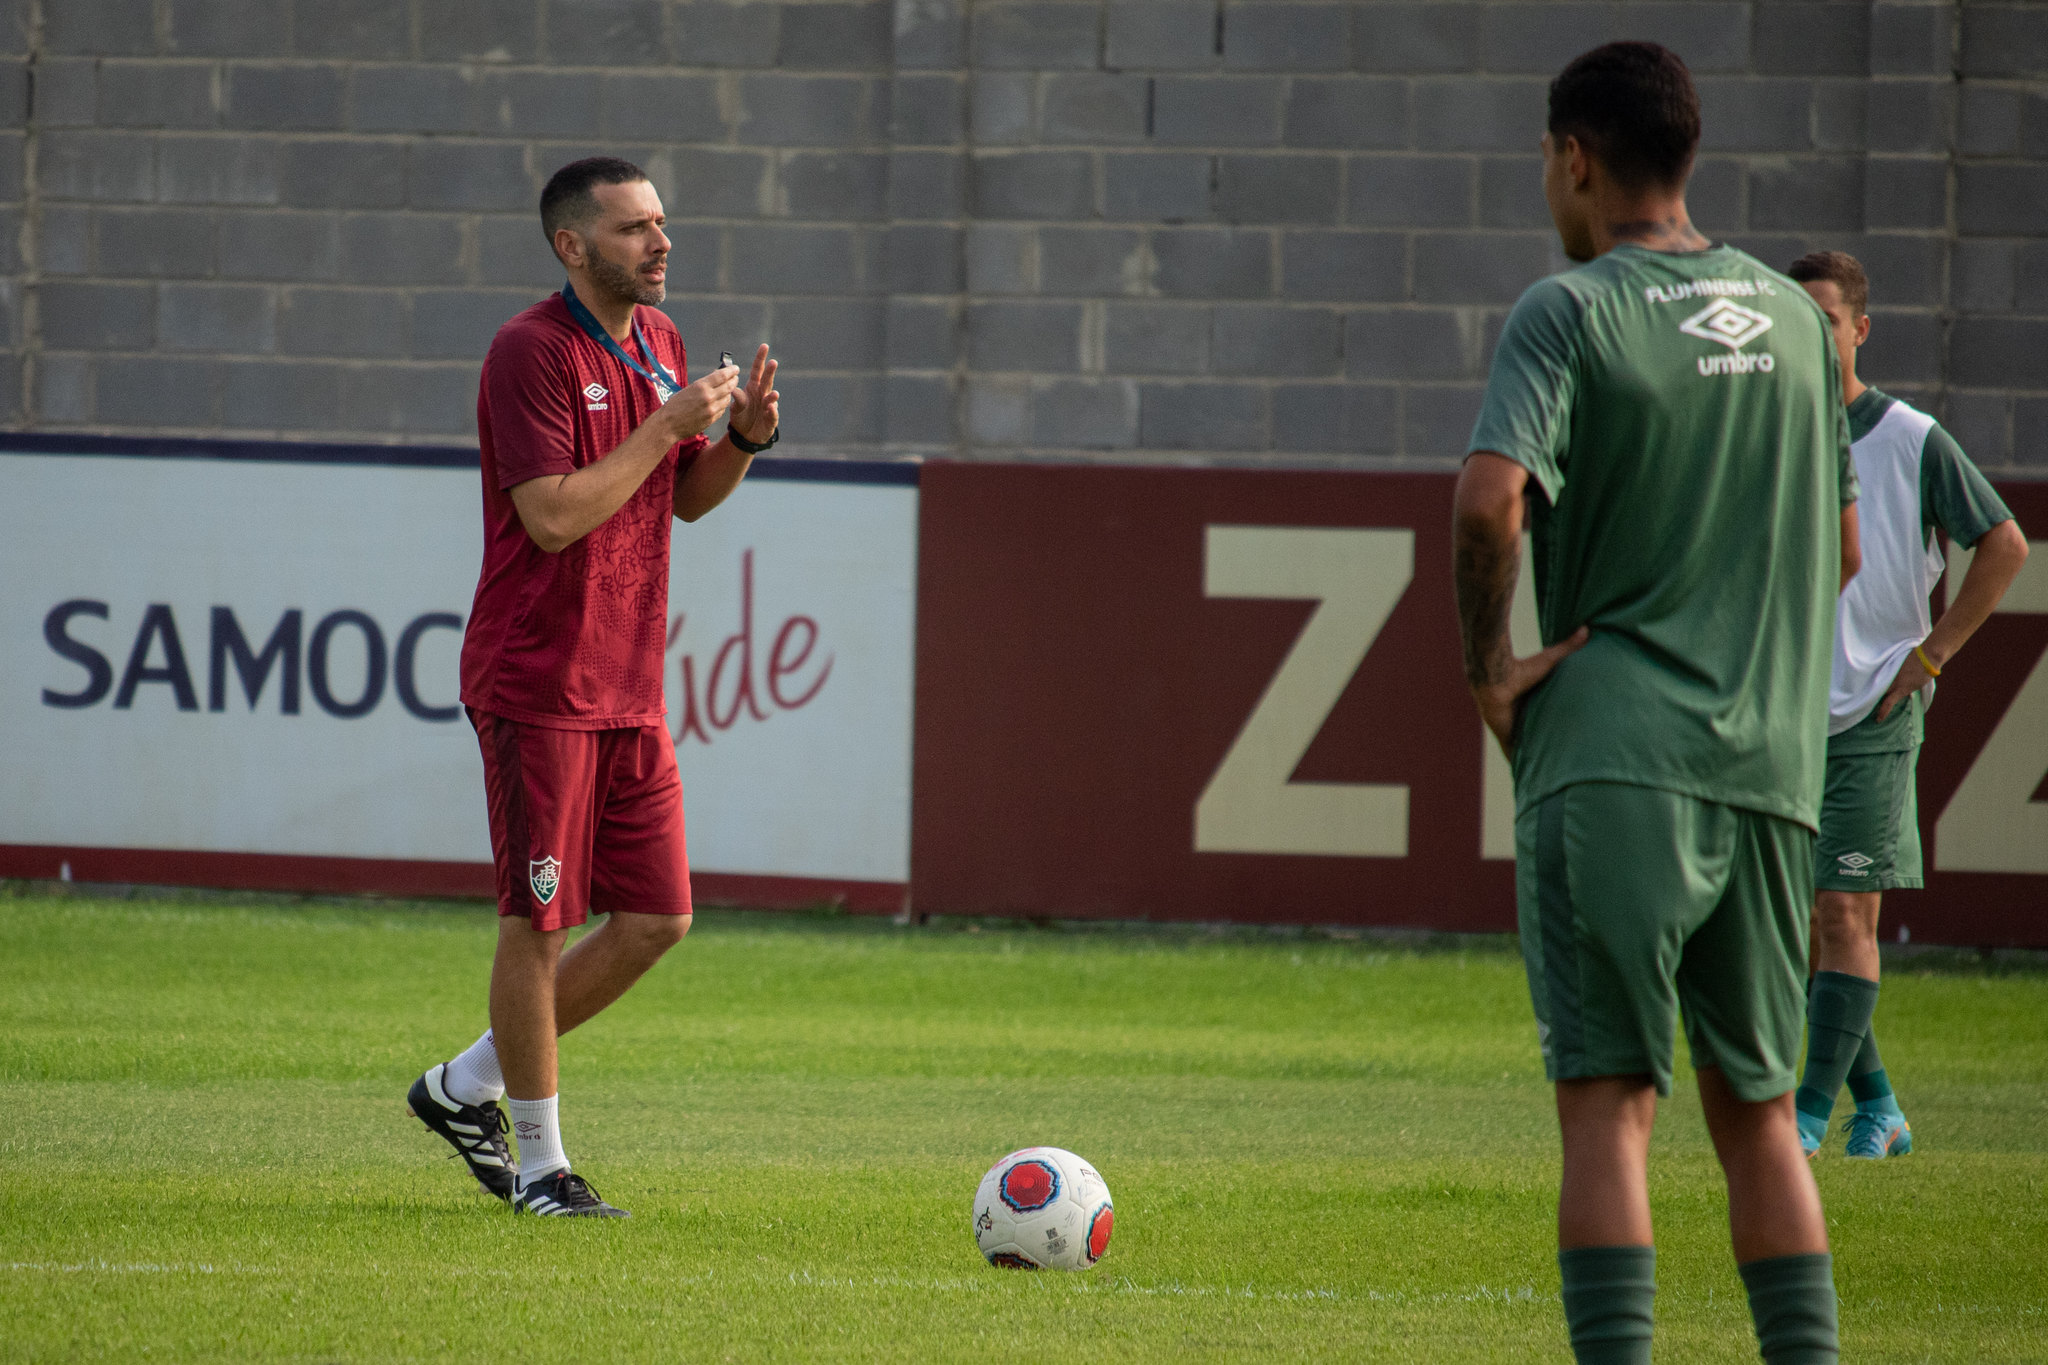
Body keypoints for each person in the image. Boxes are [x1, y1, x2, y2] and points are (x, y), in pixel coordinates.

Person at [1453, 43, 1858, 1365]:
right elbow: (1838, 548)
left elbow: (1486, 499)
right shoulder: (1800, 324)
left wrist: (1489, 667)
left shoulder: (1569, 312)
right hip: (1771, 767)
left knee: (1609, 1109)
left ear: (1576, 157)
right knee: (1759, 1111)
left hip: (1617, 752)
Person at [405, 156, 782, 1218]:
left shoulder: (659, 341)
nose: (660, 243)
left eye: (661, 223)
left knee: (657, 918)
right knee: (538, 927)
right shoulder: (528, 351)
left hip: (628, 683)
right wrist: (663, 428)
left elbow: (685, 502)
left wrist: (742, 440)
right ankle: (539, 1170)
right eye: (633, 229)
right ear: (572, 246)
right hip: (538, 681)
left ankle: (465, 1085)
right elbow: (554, 517)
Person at [1784, 250, 2029, 1161]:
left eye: (1826, 318)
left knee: (1845, 918)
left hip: (1876, 710)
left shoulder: (1909, 438)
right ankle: (1879, 1107)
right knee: (1807, 924)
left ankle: (1805, 1120)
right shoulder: (1770, 432)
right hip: (1785, 712)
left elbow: (2004, 543)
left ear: (1860, 328)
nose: (1811, 335)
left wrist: (1930, 656)